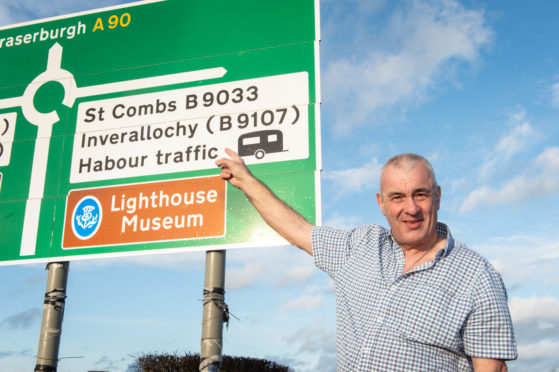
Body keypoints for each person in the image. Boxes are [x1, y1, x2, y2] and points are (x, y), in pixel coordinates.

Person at [216, 148, 517, 371]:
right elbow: (297, 229)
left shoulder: (477, 275)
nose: (410, 208)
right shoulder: (359, 246)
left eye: (421, 194)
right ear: (381, 204)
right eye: (397, 197)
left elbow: (492, 369)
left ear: (437, 196)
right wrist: (246, 181)